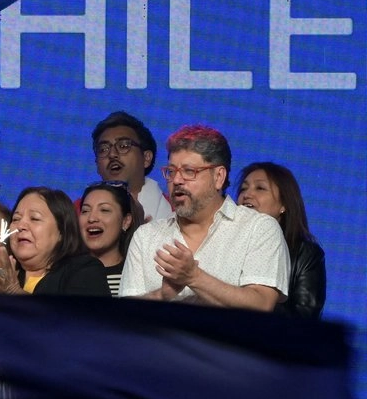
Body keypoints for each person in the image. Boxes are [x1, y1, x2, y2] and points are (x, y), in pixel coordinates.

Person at [119, 125, 289, 309]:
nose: (176, 180)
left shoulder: (258, 229)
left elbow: (261, 304)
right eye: (171, 171)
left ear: (218, 177)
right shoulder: (146, 236)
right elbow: (124, 316)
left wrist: (194, 277)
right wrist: (161, 295)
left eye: (189, 171)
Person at [237, 161, 325, 317]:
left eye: (260, 188)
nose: (247, 195)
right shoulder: (226, 241)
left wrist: (259, 299)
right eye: (243, 188)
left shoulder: (306, 254)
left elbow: (304, 316)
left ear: (283, 204)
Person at [0, 187, 110, 297]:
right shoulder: (4, 271)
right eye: (16, 219)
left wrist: (13, 291)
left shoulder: (84, 270)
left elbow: (76, 314)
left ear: (62, 232)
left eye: (34, 218)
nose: (20, 226)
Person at [91, 110, 172, 222]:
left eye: (123, 146)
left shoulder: (176, 212)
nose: (112, 154)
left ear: (146, 158)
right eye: (103, 149)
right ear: (97, 165)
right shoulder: (77, 214)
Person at [79, 180, 138, 296]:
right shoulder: (65, 273)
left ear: (126, 221)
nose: (91, 218)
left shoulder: (136, 274)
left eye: (104, 210)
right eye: (85, 211)